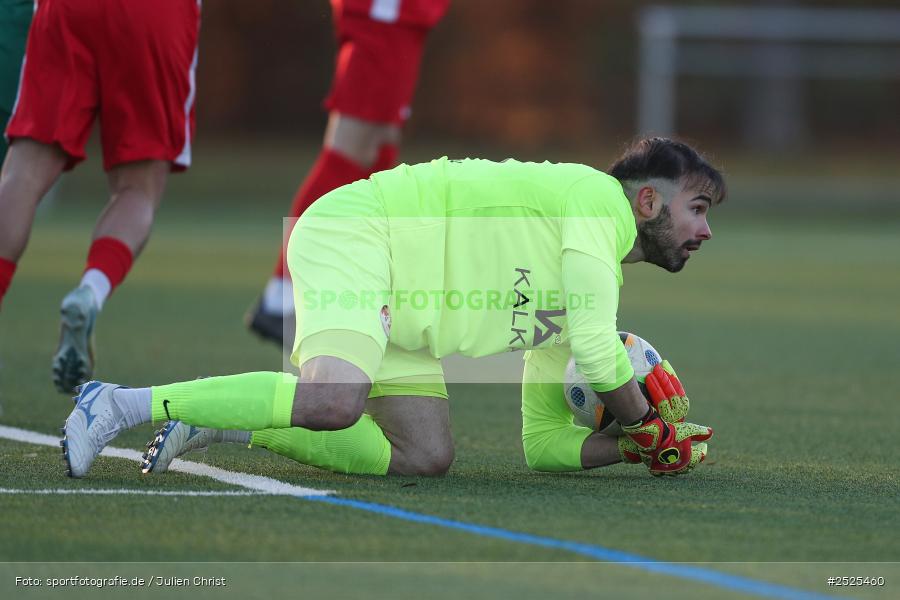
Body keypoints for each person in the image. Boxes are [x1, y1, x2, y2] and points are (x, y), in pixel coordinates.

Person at [62, 137, 725, 480]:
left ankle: (218, 416)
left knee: (424, 455)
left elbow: (545, 445)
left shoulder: (592, 278)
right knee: (332, 402)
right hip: (362, 231)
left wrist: (633, 451)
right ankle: (116, 404)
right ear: (646, 203)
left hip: (403, 310)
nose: (706, 230)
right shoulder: (593, 204)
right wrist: (647, 425)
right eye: (697, 208)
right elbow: (598, 350)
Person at [0, 0, 201, 393]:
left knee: (23, 173)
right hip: (157, 14)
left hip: (68, 9)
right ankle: (91, 291)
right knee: (138, 188)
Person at [246, 0, 451, 349]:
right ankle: (281, 296)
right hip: (385, 15)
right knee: (349, 151)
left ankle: (367, 294)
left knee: (379, 145)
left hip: (399, 18)